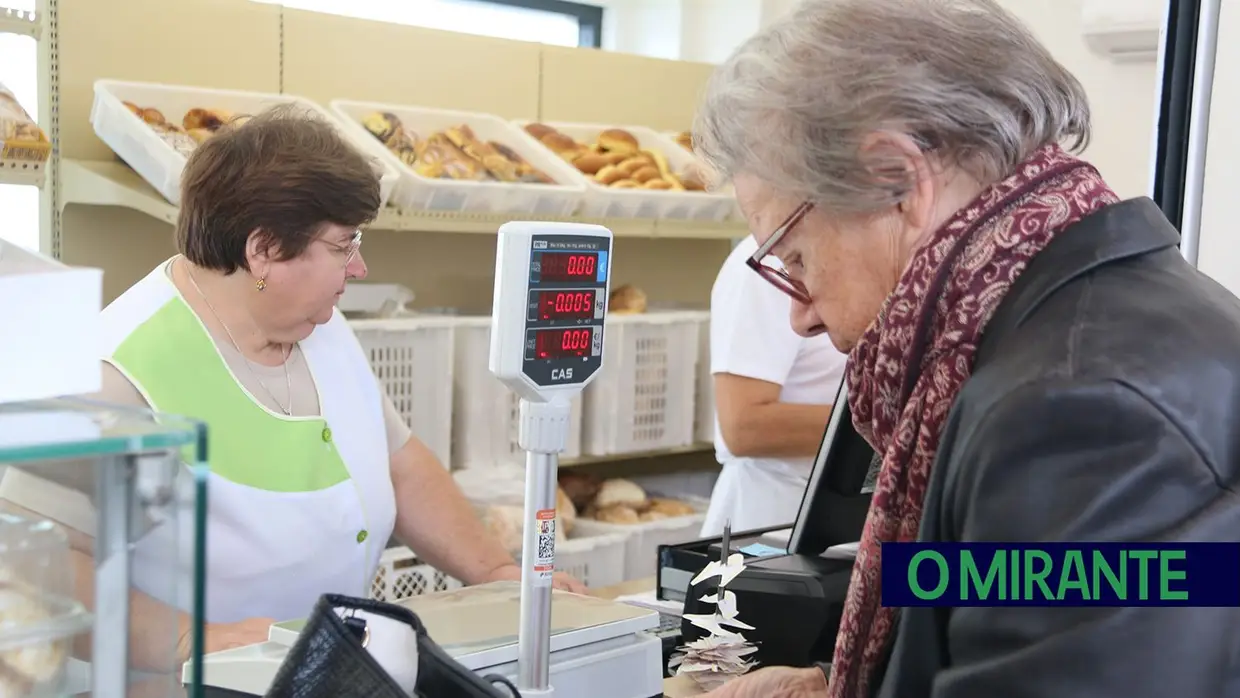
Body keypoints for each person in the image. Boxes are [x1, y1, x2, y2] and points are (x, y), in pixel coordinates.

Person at [688, 0, 1240, 696]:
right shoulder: (1093, 328)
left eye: (794, 258)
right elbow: (1023, 605)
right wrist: (830, 686)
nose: (797, 317)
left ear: (899, 180)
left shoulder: (1075, 410)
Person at [0, 107, 583, 674]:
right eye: (342, 245)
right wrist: (192, 639)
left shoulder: (318, 326)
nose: (358, 268)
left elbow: (400, 463)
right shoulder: (113, 372)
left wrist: (494, 571)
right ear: (265, 249)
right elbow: (35, 570)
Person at [701, 235, 846, 536]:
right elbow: (742, 427)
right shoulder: (763, 262)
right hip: (776, 517)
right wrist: (901, 421)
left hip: (856, 511)